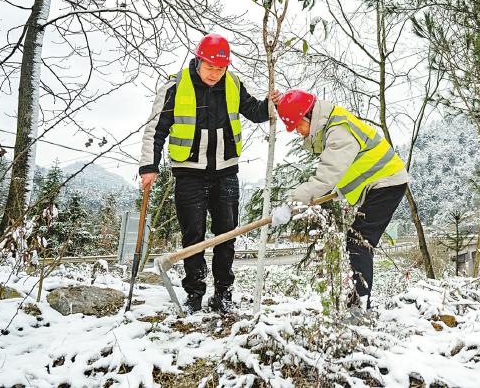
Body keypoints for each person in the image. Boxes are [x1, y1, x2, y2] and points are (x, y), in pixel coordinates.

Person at [139, 33, 281, 313]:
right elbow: (155, 129)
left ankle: (224, 293)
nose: (215, 74)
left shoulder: (233, 83)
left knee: (226, 234)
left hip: (225, 171)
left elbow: (253, 111)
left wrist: (270, 104)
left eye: (221, 68)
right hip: (188, 172)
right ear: (198, 60)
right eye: (210, 68)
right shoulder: (175, 86)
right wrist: (149, 166)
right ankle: (194, 293)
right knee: (193, 236)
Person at [275, 90, 409, 309]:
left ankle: (358, 307)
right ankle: (356, 303)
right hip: (380, 184)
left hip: (387, 184)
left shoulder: (338, 131)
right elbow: (353, 166)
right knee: (357, 242)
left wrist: (290, 205)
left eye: (299, 125)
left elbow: (326, 177)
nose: (299, 132)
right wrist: (341, 189)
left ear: (310, 116)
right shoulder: (332, 125)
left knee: (358, 243)